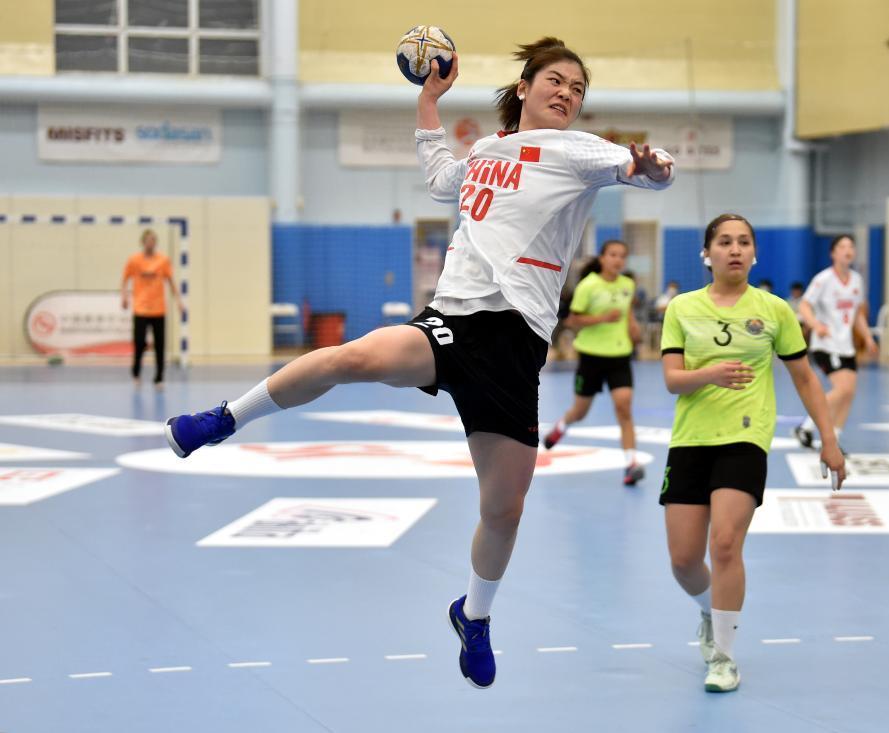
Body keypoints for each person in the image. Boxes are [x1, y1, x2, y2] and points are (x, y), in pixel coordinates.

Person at [163, 38, 674, 690]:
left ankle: (474, 615)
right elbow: (439, 178)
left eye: (577, 88)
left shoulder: (577, 151)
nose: (566, 93)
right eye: (555, 80)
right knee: (353, 357)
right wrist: (429, 99)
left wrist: (652, 165)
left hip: (515, 344)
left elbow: (647, 170)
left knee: (504, 509)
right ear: (523, 87)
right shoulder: (486, 151)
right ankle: (225, 418)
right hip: (452, 320)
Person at [659, 213, 844, 693]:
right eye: (724, 242)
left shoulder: (775, 310)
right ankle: (709, 610)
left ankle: (724, 656)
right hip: (690, 440)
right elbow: (673, 379)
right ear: (707, 253)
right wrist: (711, 374)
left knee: (724, 544)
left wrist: (828, 439)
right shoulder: (681, 308)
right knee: (683, 560)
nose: (735, 249)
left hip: (745, 439)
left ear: (754, 253)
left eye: (743, 242)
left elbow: (805, 378)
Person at [542, 240, 645, 485]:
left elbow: (627, 314)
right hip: (591, 357)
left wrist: (633, 328)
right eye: (613, 255)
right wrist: (602, 318)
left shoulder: (628, 285)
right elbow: (572, 321)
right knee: (580, 412)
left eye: (622, 256)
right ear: (602, 258)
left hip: (620, 355)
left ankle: (631, 463)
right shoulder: (588, 286)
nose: (618, 260)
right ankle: (561, 426)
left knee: (624, 408)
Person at [794, 234, 879, 449]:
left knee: (849, 393)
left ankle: (834, 437)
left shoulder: (857, 281)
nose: (847, 250)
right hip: (826, 345)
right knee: (842, 390)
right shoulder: (823, 279)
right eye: (842, 246)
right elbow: (804, 305)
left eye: (851, 246)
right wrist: (816, 325)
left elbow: (857, 314)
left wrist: (868, 337)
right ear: (833, 253)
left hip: (846, 346)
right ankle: (806, 425)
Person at [121, 229, 183, 389]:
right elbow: (125, 279)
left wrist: (178, 301)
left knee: (160, 345)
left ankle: (159, 378)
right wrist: (124, 296)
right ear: (143, 242)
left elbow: (171, 281)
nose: (151, 243)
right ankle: (136, 373)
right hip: (141, 309)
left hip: (158, 309)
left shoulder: (163, 260)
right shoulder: (134, 260)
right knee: (139, 343)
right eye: (148, 240)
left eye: (153, 240)